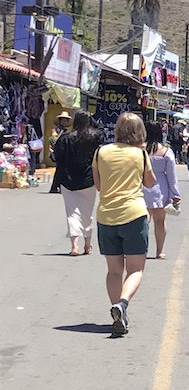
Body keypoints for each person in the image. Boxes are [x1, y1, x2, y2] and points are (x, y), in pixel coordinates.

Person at [92, 112, 156, 337]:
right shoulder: (140, 154)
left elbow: (98, 185)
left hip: (106, 217)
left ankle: (117, 312)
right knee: (136, 269)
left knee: (113, 270)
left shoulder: (101, 152)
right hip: (133, 215)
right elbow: (150, 183)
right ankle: (122, 304)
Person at [53, 109, 103, 255]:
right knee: (87, 212)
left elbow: (57, 156)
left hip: (68, 180)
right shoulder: (96, 136)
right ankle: (87, 245)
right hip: (89, 180)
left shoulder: (66, 137)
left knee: (72, 212)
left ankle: (74, 245)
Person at [142, 120, 182, 259]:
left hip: (142, 185)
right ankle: (159, 251)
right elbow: (172, 175)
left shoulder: (140, 150)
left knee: (143, 221)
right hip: (160, 188)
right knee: (160, 221)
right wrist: (175, 194)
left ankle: (141, 249)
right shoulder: (166, 151)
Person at [48, 111, 73, 193]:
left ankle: (60, 187)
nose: (64, 122)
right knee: (60, 170)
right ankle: (55, 187)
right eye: (63, 120)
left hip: (65, 152)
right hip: (58, 151)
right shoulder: (56, 130)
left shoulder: (67, 131)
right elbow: (53, 140)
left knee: (63, 170)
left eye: (66, 120)